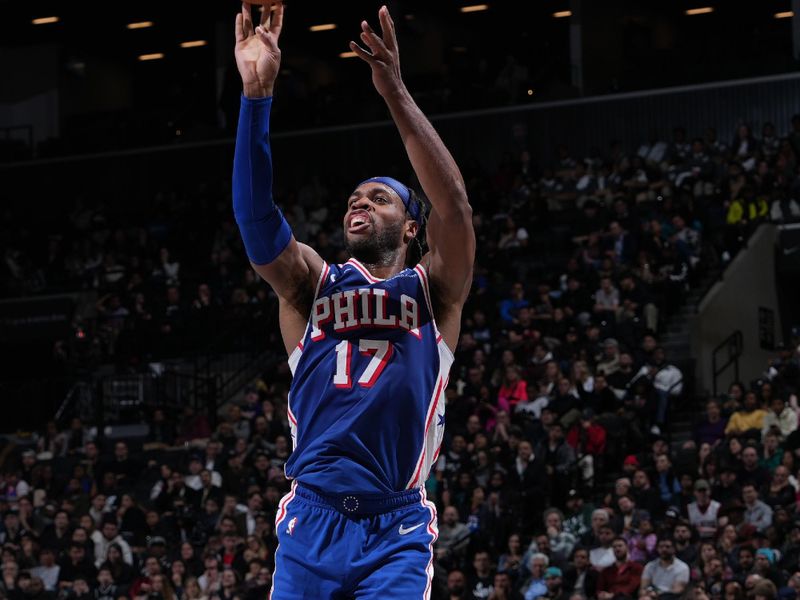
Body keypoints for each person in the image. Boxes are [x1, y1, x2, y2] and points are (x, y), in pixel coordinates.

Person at [232, 1, 475, 598]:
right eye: (353, 198)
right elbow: (256, 221)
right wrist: (256, 98)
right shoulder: (314, 283)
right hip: (311, 517)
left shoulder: (435, 290)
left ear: (411, 227)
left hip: (396, 525)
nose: (358, 203)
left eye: (379, 197)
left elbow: (456, 208)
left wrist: (393, 90)